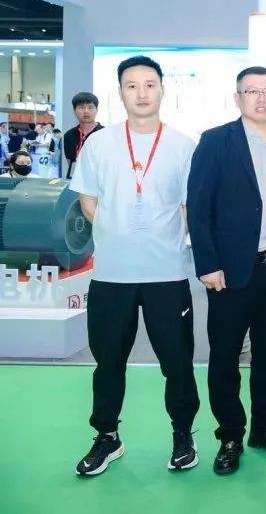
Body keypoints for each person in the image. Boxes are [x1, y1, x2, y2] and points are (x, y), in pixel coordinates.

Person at [69, 55, 200, 476]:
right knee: (108, 362)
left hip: (167, 274)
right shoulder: (99, 145)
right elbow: (87, 201)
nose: (141, 93)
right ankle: (107, 437)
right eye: (132, 85)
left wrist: (159, 237)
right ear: (120, 92)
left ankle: (183, 434)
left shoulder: (183, 146)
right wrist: (118, 232)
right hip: (112, 275)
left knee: (177, 362)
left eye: (149, 84)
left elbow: (188, 207)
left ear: (162, 89)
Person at [187, 66, 266, 476]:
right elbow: (198, 206)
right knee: (224, 354)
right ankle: (230, 435)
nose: (261, 98)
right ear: (237, 97)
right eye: (251, 91)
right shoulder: (216, 141)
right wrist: (207, 263)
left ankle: (264, 428)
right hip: (230, 270)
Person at [63, 92, 105, 179]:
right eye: (81, 107)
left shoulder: (105, 134)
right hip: (74, 179)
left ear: (96, 110)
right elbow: (69, 161)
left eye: (90, 107)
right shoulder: (69, 135)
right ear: (74, 111)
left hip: (98, 180)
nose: (86, 111)